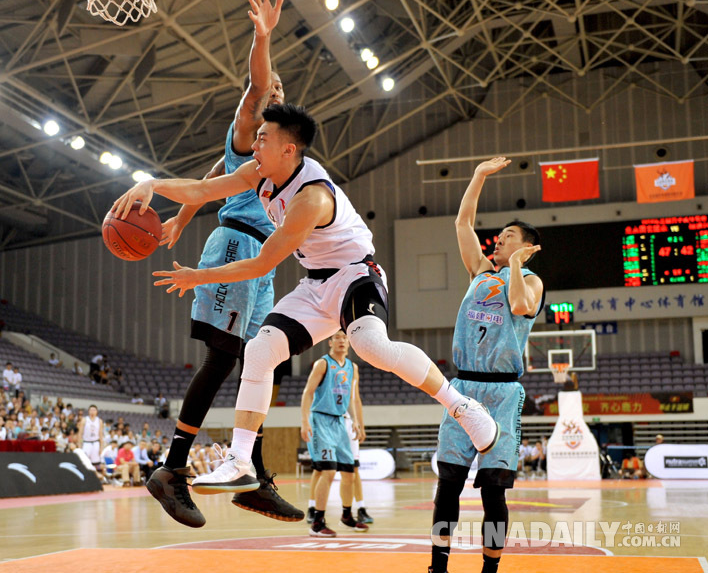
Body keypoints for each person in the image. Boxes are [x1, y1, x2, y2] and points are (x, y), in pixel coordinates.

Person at [113, 105, 500, 514]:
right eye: (256, 136)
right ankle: (240, 462)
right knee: (260, 351)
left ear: (288, 149)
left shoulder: (311, 197)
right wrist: (150, 183)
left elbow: (262, 263)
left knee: (370, 345)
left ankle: (461, 405)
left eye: (264, 138)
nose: (255, 144)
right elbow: (202, 191)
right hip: (315, 283)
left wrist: (198, 277)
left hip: (356, 275)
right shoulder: (260, 173)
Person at [142, 0, 300, 529]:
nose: (274, 89)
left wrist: (182, 217)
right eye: (268, 86)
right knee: (225, 357)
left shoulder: (269, 153)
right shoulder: (249, 125)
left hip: (261, 265)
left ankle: (253, 477)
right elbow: (258, 82)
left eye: (280, 86)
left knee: (264, 363)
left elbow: (212, 178)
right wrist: (262, 39)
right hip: (236, 244)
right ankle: (173, 469)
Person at [429, 157, 543, 573]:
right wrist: (477, 176)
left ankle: (489, 571)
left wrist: (515, 265)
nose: (498, 239)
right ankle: (437, 567)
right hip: (464, 388)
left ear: (526, 247)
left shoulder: (530, 280)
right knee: (449, 486)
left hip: (502, 392)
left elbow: (517, 305)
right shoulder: (478, 270)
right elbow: (463, 223)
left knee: (493, 494)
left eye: (508, 237)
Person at [300, 331, 367, 537]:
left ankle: (347, 516)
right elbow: (308, 392)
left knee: (349, 472)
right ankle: (317, 522)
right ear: (330, 342)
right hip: (320, 420)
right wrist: (304, 421)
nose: (341, 340)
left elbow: (354, 398)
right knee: (328, 471)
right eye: (337, 337)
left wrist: (358, 422)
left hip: (340, 422)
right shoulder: (323, 364)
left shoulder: (352, 367)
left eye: (345, 338)